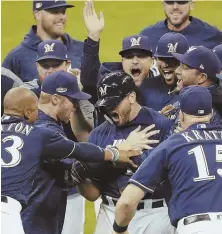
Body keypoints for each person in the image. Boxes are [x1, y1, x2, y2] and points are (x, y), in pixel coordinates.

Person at [1, 81, 147, 234]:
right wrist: (115, 153)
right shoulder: (38, 134)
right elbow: (79, 151)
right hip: (9, 211)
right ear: (27, 112)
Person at [72, 71, 175, 234]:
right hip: (110, 212)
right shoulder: (98, 134)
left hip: (152, 215)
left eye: (114, 104)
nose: (109, 110)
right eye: (105, 105)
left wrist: (130, 157)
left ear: (132, 97)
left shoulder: (161, 126)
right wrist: (79, 178)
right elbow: (93, 194)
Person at [111, 85, 222, 234]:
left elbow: (126, 203)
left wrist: (119, 229)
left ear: (181, 115)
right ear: (211, 113)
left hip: (196, 227)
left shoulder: (172, 145)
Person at [20, 39, 93, 234]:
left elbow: (85, 136)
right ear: (37, 67)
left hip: (66, 189)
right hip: (35, 192)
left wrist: (74, 96)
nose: (50, 70)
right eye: (45, 66)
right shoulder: (23, 96)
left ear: (68, 65)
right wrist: (111, 154)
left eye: (56, 65)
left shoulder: (73, 93)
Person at [80, 0, 157, 105]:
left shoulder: (161, 83)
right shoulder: (112, 79)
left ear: (152, 61)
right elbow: (89, 81)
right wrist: (93, 37)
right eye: (129, 57)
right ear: (122, 61)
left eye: (141, 56)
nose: (135, 61)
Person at [2, 0, 83, 82]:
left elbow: (94, 89)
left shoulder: (82, 50)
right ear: (37, 14)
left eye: (63, 12)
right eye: (55, 12)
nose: (61, 17)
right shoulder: (17, 57)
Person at [161, 46, 222, 133]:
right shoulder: (193, 97)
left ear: (202, 77)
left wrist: (191, 137)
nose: (177, 71)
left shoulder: (214, 108)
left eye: (184, 67)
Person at [140, 0, 222, 52]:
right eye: (169, 1)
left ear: (191, 5)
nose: (175, 7)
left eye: (181, 1)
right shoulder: (147, 36)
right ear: (163, 5)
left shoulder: (212, 35)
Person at [140, 32, 189, 111]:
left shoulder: (193, 90)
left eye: (171, 59)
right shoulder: (146, 86)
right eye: (162, 58)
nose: (165, 64)